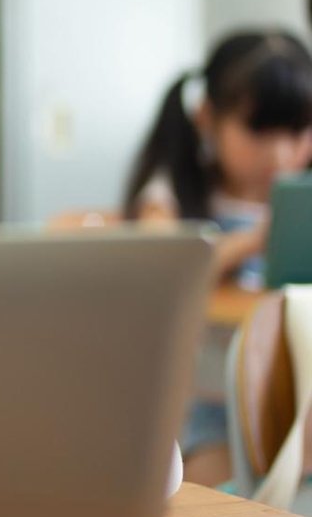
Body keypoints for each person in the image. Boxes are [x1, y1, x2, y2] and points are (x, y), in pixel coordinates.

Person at [124, 29, 312, 486]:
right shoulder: (176, 191)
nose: (281, 153)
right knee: (226, 513)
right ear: (207, 118)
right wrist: (249, 243)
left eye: (298, 131)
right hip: (207, 409)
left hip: (295, 404)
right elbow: (159, 268)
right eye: (259, 131)